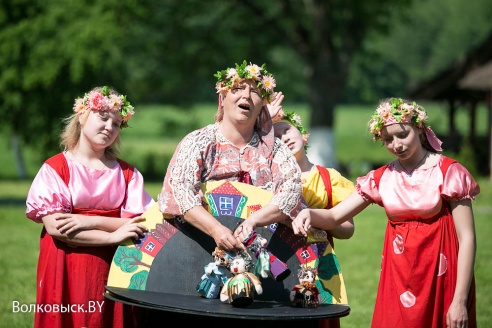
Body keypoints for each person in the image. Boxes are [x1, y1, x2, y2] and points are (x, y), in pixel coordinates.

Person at [291, 97, 480, 328]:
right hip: (399, 277)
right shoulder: (381, 178)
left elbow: (467, 238)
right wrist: (309, 214)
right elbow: (334, 216)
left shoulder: (448, 172)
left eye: (402, 134)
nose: (397, 144)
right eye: (387, 139)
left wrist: (459, 300)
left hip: (440, 275)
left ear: (419, 129)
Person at [26, 86, 155, 328]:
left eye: (116, 124)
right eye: (103, 118)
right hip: (65, 263)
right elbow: (56, 228)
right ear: (82, 117)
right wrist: (113, 234)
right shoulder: (57, 168)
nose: (109, 127)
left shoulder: (127, 174)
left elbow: (143, 222)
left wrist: (90, 220)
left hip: (114, 266)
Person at [157, 60, 303, 251]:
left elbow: (291, 192)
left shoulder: (275, 149)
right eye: (238, 89)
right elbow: (179, 191)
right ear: (222, 99)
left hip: (266, 249)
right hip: (197, 247)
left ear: (262, 107)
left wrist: (253, 221)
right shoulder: (199, 142)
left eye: (255, 92)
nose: (246, 96)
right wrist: (216, 229)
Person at [272, 106, 354, 328]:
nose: (284, 138)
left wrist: (318, 219)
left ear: (303, 134)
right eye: (276, 137)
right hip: (279, 262)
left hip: (318, 266)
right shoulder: (268, 180)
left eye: (286, 130)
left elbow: (347, 229)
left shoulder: (329, 178)